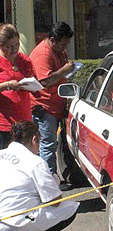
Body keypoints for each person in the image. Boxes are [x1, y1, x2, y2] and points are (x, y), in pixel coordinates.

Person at [0, 121, 79, 231]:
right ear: (34, 139)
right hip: (13, 226)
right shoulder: (35, 162)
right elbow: (54, 201)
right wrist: (54, 181)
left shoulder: (1, 154)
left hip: (2, 221)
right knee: (70, 207)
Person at [30, 21, 75, 177]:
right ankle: (48, 183)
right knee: (47, 146)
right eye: (63, 44)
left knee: (52, 145)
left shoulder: (58, 50)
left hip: (56, 106)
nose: (65, 48)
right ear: (53, 40)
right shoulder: (43, 53)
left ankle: (51, 180)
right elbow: (45, 82)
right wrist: (65, 70)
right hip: (44, 106)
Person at [0, 23, 35, 149]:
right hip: (4, 124)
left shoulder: (25, 61)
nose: (14, 49)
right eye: (9, 47)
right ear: (1, 46)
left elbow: (33, 80)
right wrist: (7, 85)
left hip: (24, 122)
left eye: (17, 45)